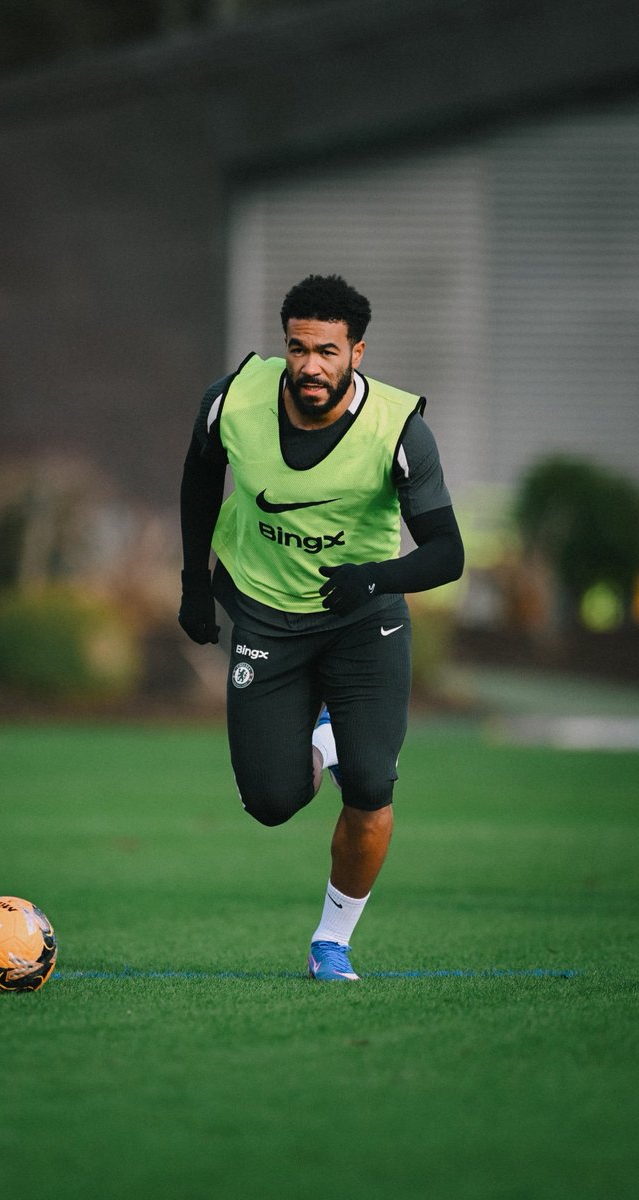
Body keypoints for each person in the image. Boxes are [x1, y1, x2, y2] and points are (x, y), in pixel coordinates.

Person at [178, 274, 464, 981]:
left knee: (370, 785)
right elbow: (196, 481)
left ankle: (331, 940)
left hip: (362, 623)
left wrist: (376, 576)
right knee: (271, 803)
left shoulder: (399, 429)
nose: (311, 366)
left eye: (328, 351)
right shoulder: (232, 401)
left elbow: (447, 553)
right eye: (299, 348)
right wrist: (192, 583)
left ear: (357, 352)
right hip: (264, 616)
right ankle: (321, 734)